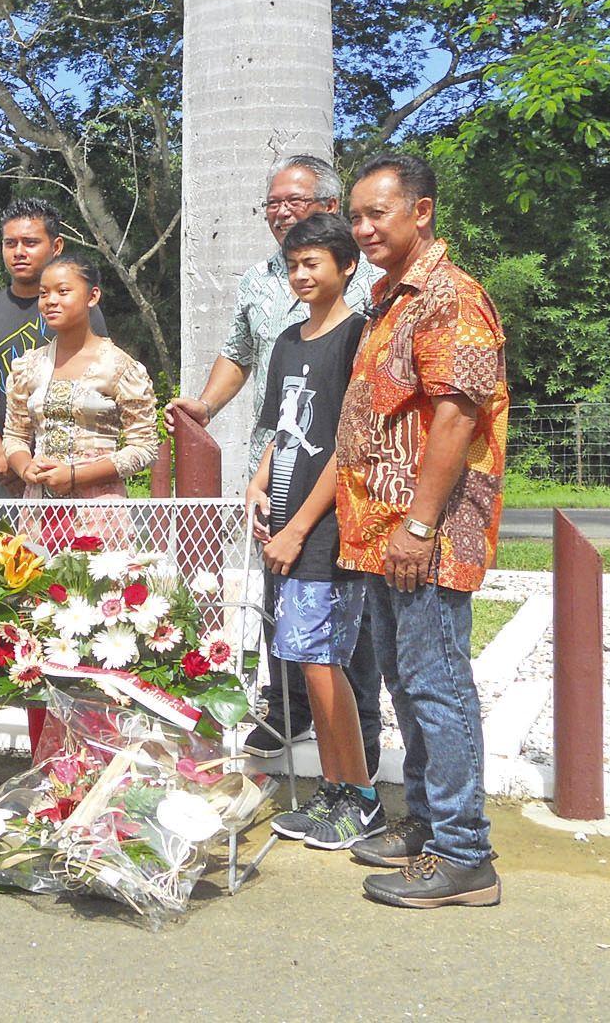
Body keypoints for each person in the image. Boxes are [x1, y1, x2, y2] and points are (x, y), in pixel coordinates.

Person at [167, 156, 383, 767]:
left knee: (343, 620)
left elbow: (359, 424)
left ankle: (357, 748)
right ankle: (288, 710)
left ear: (331, 211)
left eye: (296, 202)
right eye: (273, 203)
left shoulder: (369, 288)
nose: (282, 213)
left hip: (340, 481)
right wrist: (207, 407)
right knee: (282, 603)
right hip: (280, 466)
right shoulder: (261, 284)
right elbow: (240, 355)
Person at [335, 153, 508, 909]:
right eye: (356, 217)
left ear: (422, 211)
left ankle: (465, 855)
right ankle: (430, 825)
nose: (364, 228)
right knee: (405, 683)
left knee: (437, 685)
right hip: (381, 531)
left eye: (378, 214)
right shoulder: (389, 297)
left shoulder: (449, 296)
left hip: (423, 535)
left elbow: (457, 416)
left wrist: (418, 522)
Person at [241, 214, 382, 850]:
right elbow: (282, 428)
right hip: (282, 520)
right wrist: (258, 486)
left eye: (312, 264)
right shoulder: (286, 342)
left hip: (325, 530)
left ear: (347, 266)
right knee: (301, 657)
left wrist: (298, 529)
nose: (300, 275)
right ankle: (332, 788)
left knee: (324, 664)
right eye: (293, 265)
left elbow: (349, 446)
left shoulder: (357, 336)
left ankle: (361, 797)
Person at [0, 198, 107, 500]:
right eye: (10, 243)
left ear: (56, 246)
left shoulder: (84, 312)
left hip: (67, 472)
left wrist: (57, 467)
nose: (19, 252)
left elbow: (97, 387)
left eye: (30, 242)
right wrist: (4, 455)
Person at [0, 255, 158, 512]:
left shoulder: (120, 367)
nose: (51, 301)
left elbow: (144, 447)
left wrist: (76, 476)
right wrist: (25, 467)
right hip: (38, 511)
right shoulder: (28, 367)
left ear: (92, 297)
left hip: (99, 513)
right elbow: (15, 436)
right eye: (43, 293)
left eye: (63, 292)